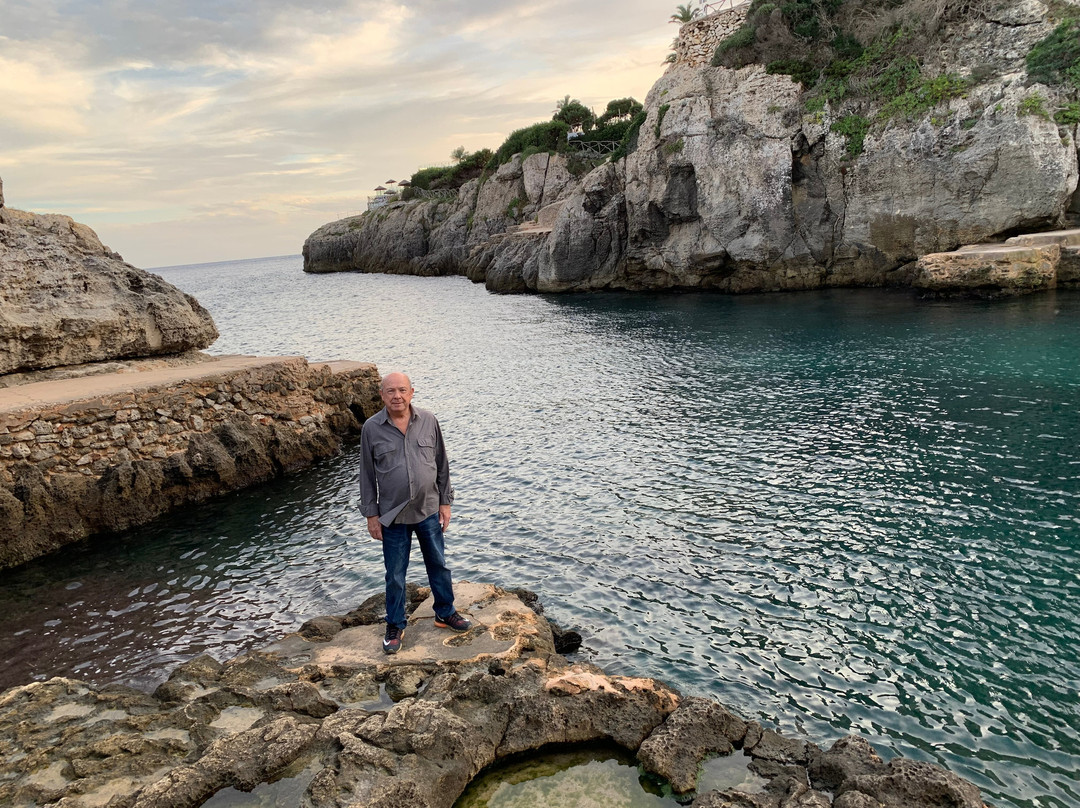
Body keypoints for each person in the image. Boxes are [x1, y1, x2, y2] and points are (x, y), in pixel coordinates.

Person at [359, 372, 471, 654]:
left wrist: (445, 502)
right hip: (392, 515)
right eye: (390, 391)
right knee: (395, 574)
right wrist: (371, 515)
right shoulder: (371, 428)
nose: (397, 396)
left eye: (402, 390)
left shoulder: (429, 420)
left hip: (429, 509)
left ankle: (445, 612)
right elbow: (366, 475)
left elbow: (441, 463)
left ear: (411, 392)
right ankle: (395, 625)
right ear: (382, 395)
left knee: (439, 564)